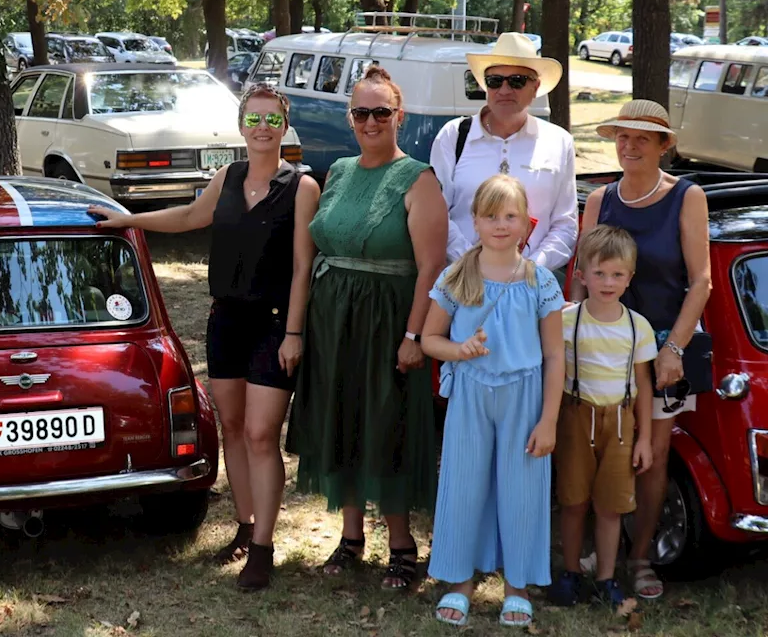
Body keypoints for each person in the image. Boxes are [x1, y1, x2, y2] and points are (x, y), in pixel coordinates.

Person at [88, 83, 320, 591]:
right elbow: (191, 217)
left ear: (285, 126)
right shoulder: (228, 176)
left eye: (272, 120)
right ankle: (245, 525)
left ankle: (264, 548)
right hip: (225, 321)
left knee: (262, 435)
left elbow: (303, 266)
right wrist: (129, 220)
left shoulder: (302, 187)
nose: (263, 129)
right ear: (241, 127)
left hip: (275, 324)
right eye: (253, 120)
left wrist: (294, 333)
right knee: (232, 428)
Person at [285, 66, 447, 592]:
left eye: (382, 111)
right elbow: (313, 252)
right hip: (333, 317)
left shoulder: (418, 178)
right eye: (361, 112)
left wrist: (414, 335)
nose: (371, 120)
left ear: (399, 116)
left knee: (388, 422)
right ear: (349, 118)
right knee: (344, 416)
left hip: (388, 317)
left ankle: (401, 546)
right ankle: (351, 536)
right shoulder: (338, 172)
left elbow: (431, 268)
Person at [572, 99, 711, 600]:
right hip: (602, 345)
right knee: (594, 445)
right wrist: (570, 335)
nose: (629, 147)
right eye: (622, 137)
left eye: (642, 139)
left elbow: (702, 281)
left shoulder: (687, 196)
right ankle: (594, 550)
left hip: (665, 349)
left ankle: (641, 557)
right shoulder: (600, 198)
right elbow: (580, 276)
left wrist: (674, 346)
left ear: (662, 146)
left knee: (652, 456)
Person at [422, 175, 564, 628]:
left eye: (510, 216)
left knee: (522, 491)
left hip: (524, 397)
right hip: (470, 396)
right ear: (475, 221)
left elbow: (555, 355)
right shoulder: (457, 275)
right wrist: (458, 350)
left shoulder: (540, 281)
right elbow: (429, 339)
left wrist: (549, 421)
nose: (500, 225)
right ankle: (460, 581)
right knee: (464, 485)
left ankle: (517, 585)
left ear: (527, 223)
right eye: (490, 216)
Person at [548, 224, 657, 609]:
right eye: (599, 273)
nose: (607, 282)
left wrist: (644, 438)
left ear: (629, 278)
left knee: (610, 505)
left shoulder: (637, 327)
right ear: (580, 275)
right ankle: (571, 571)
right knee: (574, 500)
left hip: (621, 423)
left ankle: (607, 577)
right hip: (576, 416)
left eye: (616, 274)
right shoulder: (566, 322)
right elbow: (551, 372)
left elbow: (643, 384)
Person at [430, 32, 578, 271]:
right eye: (495, 81)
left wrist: (530, 269)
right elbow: (436, 214)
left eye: (517, 81)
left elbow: (565, 224)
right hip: (461, 281)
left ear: (536, 86)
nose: (505, 89)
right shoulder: (454, 135)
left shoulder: (559, 142)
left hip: (530, 287)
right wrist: (473, 265)